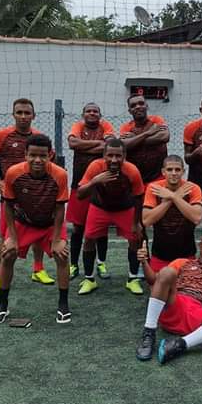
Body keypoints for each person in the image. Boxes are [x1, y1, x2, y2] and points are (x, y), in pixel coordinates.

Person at [0, 134, 71, 325]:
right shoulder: (13, 173)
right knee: (8, 254)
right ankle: (2, 305)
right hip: (23, 222)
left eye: (42, 155)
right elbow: (8, 205)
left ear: (50, 155)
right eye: (33, 155)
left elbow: (60, 208)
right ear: (25, 154)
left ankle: (63, 304)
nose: (37, 160)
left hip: (50, 224)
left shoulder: (60, 174)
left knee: (62, 255)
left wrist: (57, 239)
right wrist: (12, 236)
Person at [0, 98, 54, 294]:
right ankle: (0, 276)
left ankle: (38, 269)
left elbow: (49, 162)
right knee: (6, 237)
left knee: (38, 232)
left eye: (27, 113)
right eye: (19, 112)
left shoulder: (39, 138)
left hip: (36, 197)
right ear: (13, 115)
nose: (23, 116)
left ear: (33, 116)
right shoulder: (2, 135)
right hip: (10, 198)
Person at [135, 233, 202, 365]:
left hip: (198, 313)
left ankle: (180, 344)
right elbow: (155, 281)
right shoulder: (182, 262)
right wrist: (144, 262)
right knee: (167, 272)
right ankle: (149, 334)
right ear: (200, 245)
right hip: (175, 303)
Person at [76, 138, 145, 295]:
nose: (114, 160)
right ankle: (89, 279)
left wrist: (137, 222)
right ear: (104, 155)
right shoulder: (95, 167)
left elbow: (139, 197)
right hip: (100, 208)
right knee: (89, 239)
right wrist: (95, 181)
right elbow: (80, 194)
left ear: (124, 156)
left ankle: (132, 279)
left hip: (125, 209)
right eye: (110, 155)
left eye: (118, 156)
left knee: (135, 239)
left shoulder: (132, 170)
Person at [120, 94, 170, 281]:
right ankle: (142, 264)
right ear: (129, 110)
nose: (138, 107)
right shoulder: (126, 127)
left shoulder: (157, 120)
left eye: (141, 103)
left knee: (162, 224)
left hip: (158, 180)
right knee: (139, 226)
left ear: (147, 105)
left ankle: (162, 262)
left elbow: (165, 136)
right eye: (134, 105)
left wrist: (136, 140)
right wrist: (148, 134)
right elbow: (124, 145)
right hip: (136, 183)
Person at [67, 103, 114, 280]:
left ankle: (101, 263)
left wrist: (83, 146)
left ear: (100, 115)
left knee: (101, 227)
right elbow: (72, 143)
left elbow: (109, 146)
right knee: (78, 228)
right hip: (79, 185)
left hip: (102, 187)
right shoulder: (78, 126)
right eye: (89, 111)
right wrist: (98, 144)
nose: (92, 113)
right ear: (83, 114)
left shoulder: (106, 126)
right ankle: (73, 265)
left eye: (95, 111)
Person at [142, 155, 202, 272]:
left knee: (187, 284)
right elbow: (146, 221)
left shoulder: (192, 188)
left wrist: (172, 196)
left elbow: (196, 218)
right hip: (160, 254)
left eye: (177, 170)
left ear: (183, 172)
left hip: (187, 254)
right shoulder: (154, 188)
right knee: (156, 284)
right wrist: (172, 198)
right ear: (163, 172)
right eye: (169, 170)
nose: (174, 173)